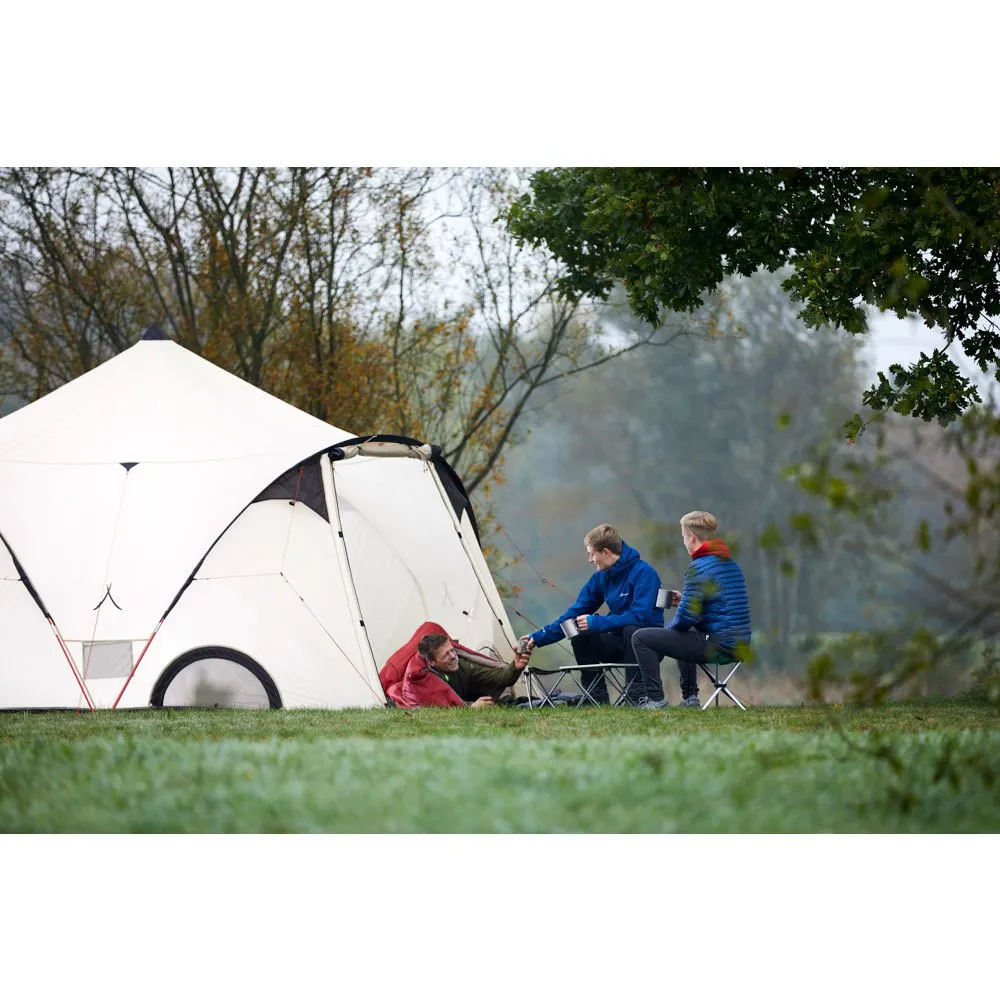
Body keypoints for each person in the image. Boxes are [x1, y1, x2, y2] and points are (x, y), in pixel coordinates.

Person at [519, 524, 664, 705]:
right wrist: (538, 637)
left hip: (646, 646)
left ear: (606, 552)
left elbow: (640, 616)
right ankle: (595, 697)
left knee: (632, 629)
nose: (590, 560)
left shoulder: (645, 573)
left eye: (591, 554)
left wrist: (597, 622)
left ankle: (637, 695)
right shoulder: (601, 576)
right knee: (578, 630)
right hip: (617, 643)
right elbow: (574, 612)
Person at [630, 511, 751, 709]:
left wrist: (667, 634)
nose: (684, 541)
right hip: (740, 644)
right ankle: (690, 698)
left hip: (718, 645)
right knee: (687, 634)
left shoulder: (698, 568)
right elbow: (719, 605)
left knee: (641, 637)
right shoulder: (730, 563)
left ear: (691, 537)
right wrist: (686, 600)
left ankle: (656, 700)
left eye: (683, 537)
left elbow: (685, 620)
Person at [380, 621, 530, 708]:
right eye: (446, 655)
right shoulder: (420, 680)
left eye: (452, 650)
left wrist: (515, 667)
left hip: (469, 692)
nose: (453, 657)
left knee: (486, 647)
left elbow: (500, 678)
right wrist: (471, 707)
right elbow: (439, 709)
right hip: (400, 695)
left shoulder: (462, 664)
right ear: (431, 662)